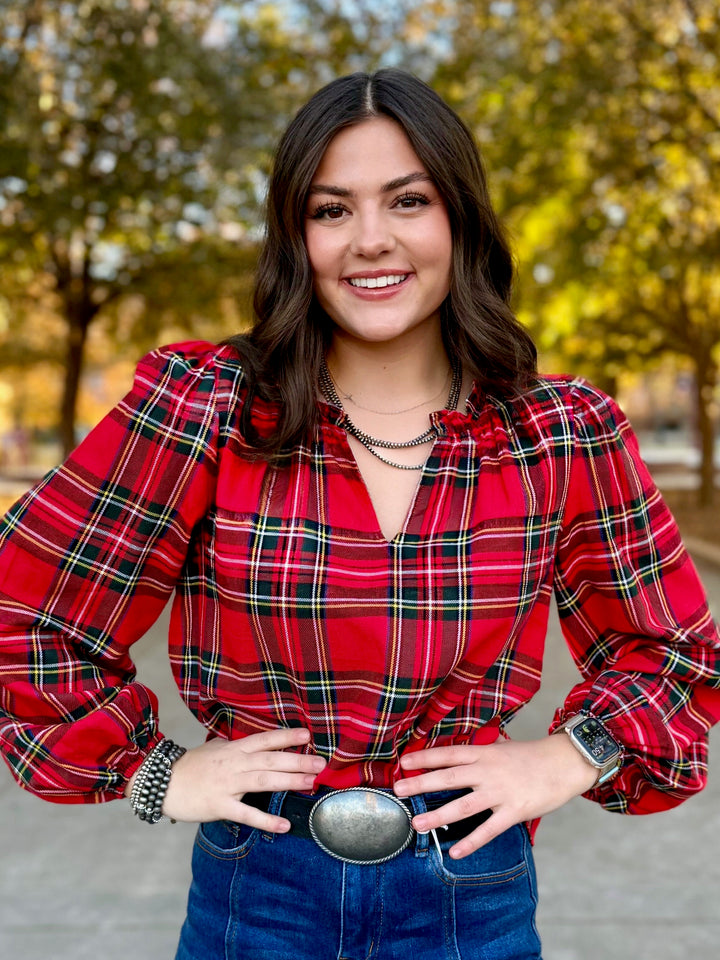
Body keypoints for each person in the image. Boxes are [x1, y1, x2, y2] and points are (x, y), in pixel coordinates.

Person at [0, 69, 719, 960]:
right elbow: (25, 610)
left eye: (408, 201)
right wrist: (156, 773)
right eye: (331, 210)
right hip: (257, 891)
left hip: (470, 890)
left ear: (460, 219)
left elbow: (676, 653)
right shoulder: (205, 409)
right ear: (295, 237)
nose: (370, 241)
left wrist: (567, 759)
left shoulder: (559, 434)